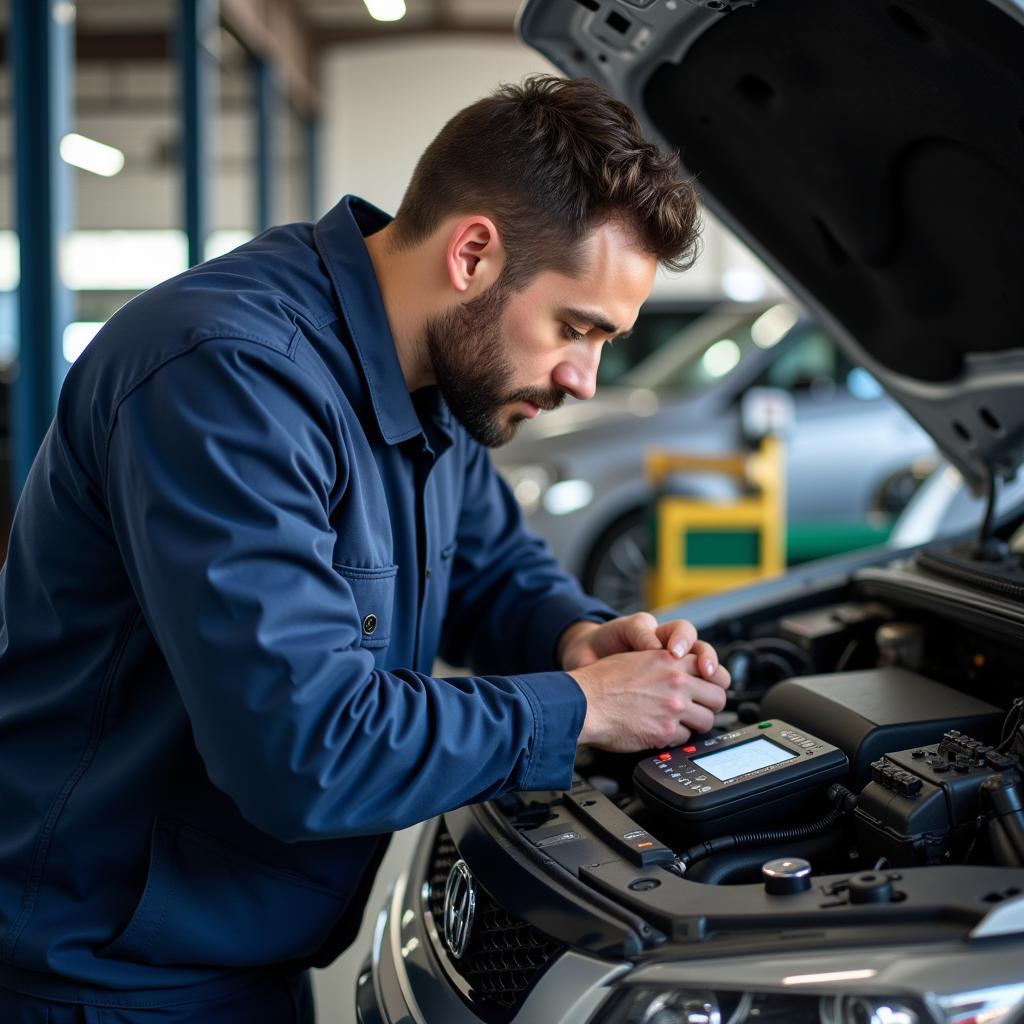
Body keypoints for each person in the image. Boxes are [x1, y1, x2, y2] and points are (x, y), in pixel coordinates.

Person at [0, 75, 730, 1022]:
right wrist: (578, 709)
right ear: (473, 252)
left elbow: (492, 567)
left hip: (239, 941)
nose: (583, 380)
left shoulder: (436, 374)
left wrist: (574, 639)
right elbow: (305, 748)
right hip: (102, 974)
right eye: (574, 328)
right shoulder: (230, 378)